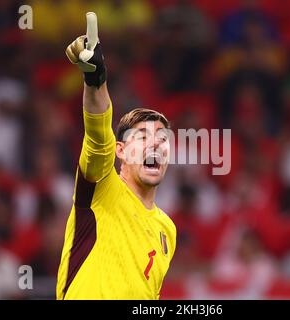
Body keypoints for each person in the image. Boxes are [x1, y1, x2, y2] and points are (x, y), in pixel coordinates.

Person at [56, 12, 176, 300]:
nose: (155, 146)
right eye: (143, 138)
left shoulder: (167, 230)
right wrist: (95, 79)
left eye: (162, 139)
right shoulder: (102, 188)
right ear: (121, 151)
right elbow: (98, 138)